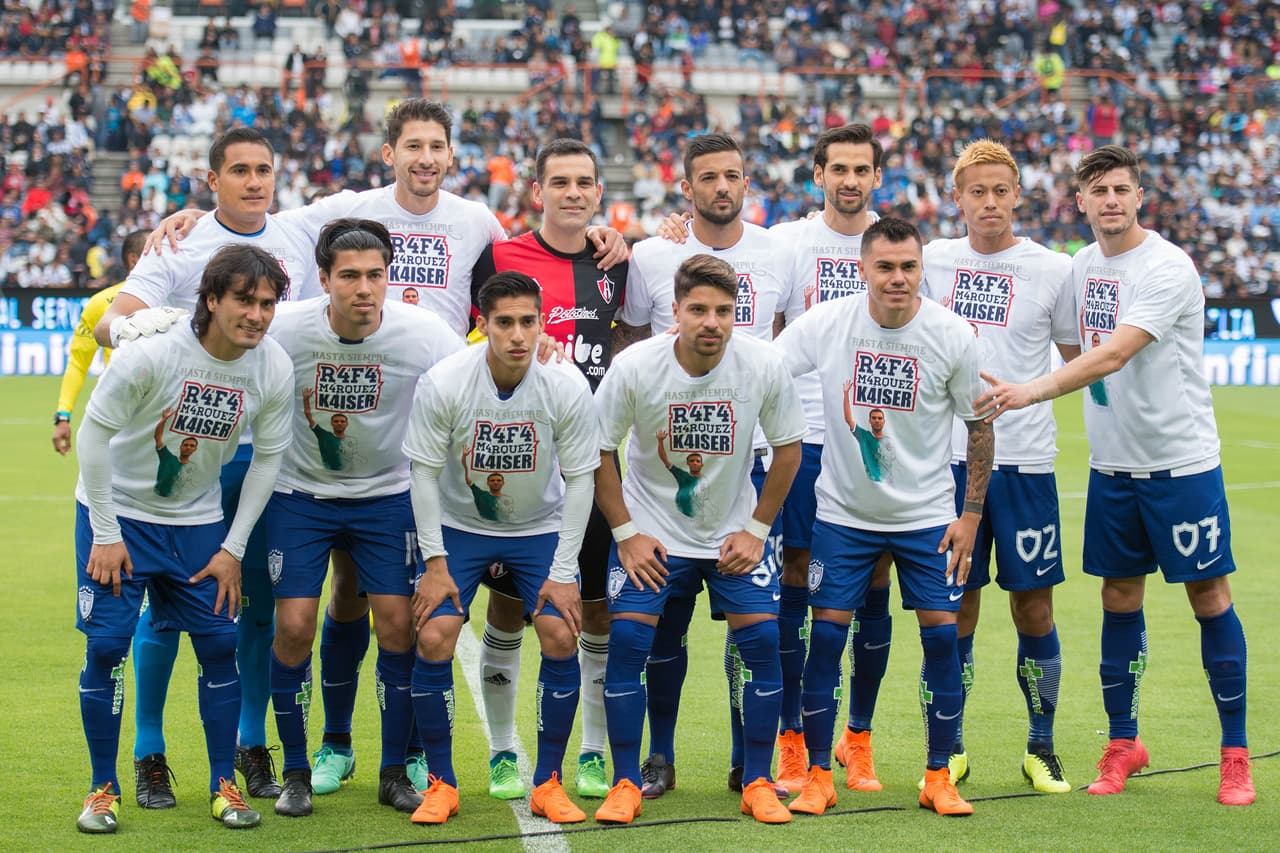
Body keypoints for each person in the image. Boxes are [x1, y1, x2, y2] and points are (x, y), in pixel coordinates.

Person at [144, 107, 625, 790]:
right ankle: (319, 751)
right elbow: (258, 222)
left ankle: (404, 761)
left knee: (398, 616)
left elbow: (492, 327)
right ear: (390, 151)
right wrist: (197, 215)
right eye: (413, 146)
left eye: (438, 145)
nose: (425, 157)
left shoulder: (472, 234)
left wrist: (529, 336)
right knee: (310, 612)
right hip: (306, 489)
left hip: (400, 476)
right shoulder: (335, 229)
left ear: (452, 154)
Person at [977, 144, 1254, 806]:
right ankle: (1123, 743)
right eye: (1097, 189)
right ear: (1080, 200)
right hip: (1112, 467)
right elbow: (1076, 345)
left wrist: (1028, 390)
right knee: (1118, 599)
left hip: (1180, 462)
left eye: (1120, 189)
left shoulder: (1167, 267)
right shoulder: (1080, 266)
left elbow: (1113, 354)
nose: (1109, 200)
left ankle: (1235, 754)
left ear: (1139, 196)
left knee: (1208, 597)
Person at [94, 127, 320, 806]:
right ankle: (149, 751)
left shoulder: (303, 232)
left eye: (265, 170)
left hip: (262, 452)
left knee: (246, 606)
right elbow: (114, 322)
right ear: (211, 178)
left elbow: (400, 193)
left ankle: (250, 744)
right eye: (240, 171)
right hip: (191, 455)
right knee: (163, 612)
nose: (255, 182)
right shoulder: (179, 242)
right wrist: (178, 324)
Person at [773, 217, 992, 818]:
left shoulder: (951, 334)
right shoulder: (826, 324)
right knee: (826, 641)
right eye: (886, 266)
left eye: (909, 267)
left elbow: (979, 427)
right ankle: (820, 774)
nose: (898, 278)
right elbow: (766, 369)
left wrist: (970, 514)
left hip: (927, 518)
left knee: (943, 643)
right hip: (844, 517)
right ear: (863, 268)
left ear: (922, 268)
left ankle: (938, 777)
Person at [73, 244, 293, 833]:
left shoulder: (271, 365)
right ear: (212, 298)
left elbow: (268, 461)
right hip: (118, 517)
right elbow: (93, 437)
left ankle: (224, 783)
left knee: (219, 646)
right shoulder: (155, 354)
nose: (256, 315)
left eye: (267, 303)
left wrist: (233, 548)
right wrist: (105, 530)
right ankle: (103, 787)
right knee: (105, 649)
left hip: (197, 525)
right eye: (243, 300)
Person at [591, 253, 804, 825]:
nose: (712, 322)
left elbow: (788, 450)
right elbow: (598, 452)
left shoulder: (762, 363)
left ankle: (758, 780)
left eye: (724, 311)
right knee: (632, 647)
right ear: (676, 313)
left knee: (762, 645)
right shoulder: (636, 365)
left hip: (731, 536)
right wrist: (626, 533)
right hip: (651, 537)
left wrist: (757, 529)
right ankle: (631, 778)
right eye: (699, 310)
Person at [264, 219, 464, 818]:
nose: (363, 288)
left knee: (398, 628)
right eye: (348, 276)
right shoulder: (286, 328)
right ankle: (298, 770)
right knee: (295, 625)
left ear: (389, 278)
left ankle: (392, 771)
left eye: (375, 275)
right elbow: (219, 338)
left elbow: (473, 377)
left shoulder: (424, 333)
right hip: (301, 496)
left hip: (388, 497)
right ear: (322, 280)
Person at [614, 132, 793, 798]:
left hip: (744, 474)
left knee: (757, 634)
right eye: (708, 177)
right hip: (663, 481)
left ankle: (753, 769)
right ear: (685, 187)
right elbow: (633, 339)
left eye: (734, 175)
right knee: (661, 632)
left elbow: (788, 334)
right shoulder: (653, 254)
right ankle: (656, 759)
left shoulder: (780, 249)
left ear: (747, 182)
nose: (723, 186)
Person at [402, 271, 602, 826]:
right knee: (436, 632)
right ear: (482, 325)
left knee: (562, 631)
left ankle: (548, 783)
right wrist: (436, 563)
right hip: (461, 524)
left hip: (538, 525)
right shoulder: (444, 382)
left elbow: (582, 478)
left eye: (528, 322)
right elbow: (422, 474)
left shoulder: (565, 385)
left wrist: (564, 571)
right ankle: (442, 784)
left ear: (542, 323)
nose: (518, 335)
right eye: (505, 323)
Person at [467, 138, 629, 802]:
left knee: (593, 611)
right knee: (510, 608)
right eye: (558, 181)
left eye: (583, 182)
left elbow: (640, 339)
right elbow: (470, 336)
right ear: (537, 191)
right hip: (521, 460)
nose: (571, 191)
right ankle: (505, 751)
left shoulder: (618, 261)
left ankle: (593, 750)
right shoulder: (502, 257)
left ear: (598, 193)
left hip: (594, 463)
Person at [919, 139, 1078, 793]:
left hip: (1026, 463)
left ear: (1018, 196)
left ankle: (1040, 744)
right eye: (975, 191)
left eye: (999, 191)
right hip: (947, 464)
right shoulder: (931, 261)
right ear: (955, 198)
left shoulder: (1051, 269)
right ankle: (950, 743)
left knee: (1033, 609)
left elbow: (1075, 359)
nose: (989, 202)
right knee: (956, 608)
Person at [769, 124, 894, 793]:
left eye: (862, 169)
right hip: (804, 438)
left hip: (870, 444)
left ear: (877, 176)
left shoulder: (897, 244)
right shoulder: (788, 242)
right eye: (838, 168)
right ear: (817, 173)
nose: (850, 180)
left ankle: (858, 737)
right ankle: (793, 736)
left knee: (872, 580)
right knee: (794, 576)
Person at [51, 230, 147, 456]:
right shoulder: (101, 303)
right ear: (134, 259)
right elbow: (78, 363)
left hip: (167, 414)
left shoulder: (179, 298)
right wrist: (63, 415)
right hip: (120, 416)